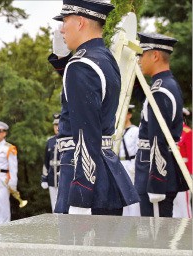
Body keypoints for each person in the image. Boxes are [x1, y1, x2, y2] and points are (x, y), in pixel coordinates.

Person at [47, 0, 139, 215]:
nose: (61, 28)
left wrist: (82, 193)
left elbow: (84, 133)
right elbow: (84, 91)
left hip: (84, 175)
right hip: (104, 170)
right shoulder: (104, 58)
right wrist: (63, 59)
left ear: (80, 22)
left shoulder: (81, 65)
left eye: (65, 21)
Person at [134, 32, 187, 217]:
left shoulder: (160, 90)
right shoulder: (165, 84)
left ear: (155, 55)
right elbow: (145, 102)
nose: (139, 59)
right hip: (154, 172)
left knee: (155, 239)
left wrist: (156, 182)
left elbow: (158, 138)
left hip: (155, 176)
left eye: (142, 54)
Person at [120, 105, 140, 216]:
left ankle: (135, 218)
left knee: (132, 192)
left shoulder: (135, 131)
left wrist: (134, 166)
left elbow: (138, 150)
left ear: (129, 115)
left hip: (130, 164)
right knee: (121, 193)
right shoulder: (116, 131)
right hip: (119, 164)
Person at [173, 108, 191, 218]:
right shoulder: (168, 132)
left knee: (184, 205)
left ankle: (189, 231)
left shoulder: (187, 132)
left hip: (184, 172)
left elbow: (191, 155)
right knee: (173, 204)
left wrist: (190, 174)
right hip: (171, 172)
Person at [41, 114, 61, 212]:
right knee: (54, 204)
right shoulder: (50, 141)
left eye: (59, 124)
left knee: (63, 204)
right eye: (55, 125)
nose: (57, 127)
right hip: (51, 178)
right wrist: (44, 178)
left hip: (63, 178)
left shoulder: (68, 140)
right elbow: (46, 161)